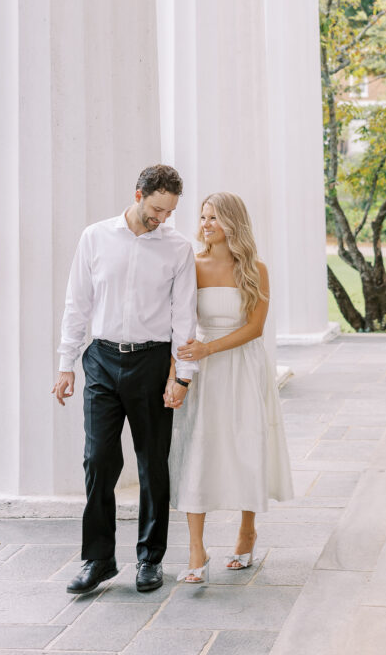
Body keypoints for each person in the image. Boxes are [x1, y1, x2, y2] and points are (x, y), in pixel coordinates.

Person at [52, 164, 197, 595]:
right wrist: (66, 364)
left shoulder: (177, 249)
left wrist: (182, 377)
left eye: (169, 211)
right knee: (98, 460)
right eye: (156, 209)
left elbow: (184, 317)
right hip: (101, 359)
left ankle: (150, 559)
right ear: (138, 195)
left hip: (152, 363)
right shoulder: (95, 237)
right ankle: (98, 560)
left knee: (153, 461)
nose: (162, 219)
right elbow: (77, 303)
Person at [167, 191, 293, 583]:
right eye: (203, 217)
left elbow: (255, 328)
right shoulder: (192, 264)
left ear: (233, 223)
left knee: (245, 444)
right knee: (197, 449)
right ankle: (196, 548)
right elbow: (179, 326)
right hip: (203, 370)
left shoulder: (255, 268)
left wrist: (209, 348)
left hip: (244, 365)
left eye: (214, 218)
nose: (206, 224)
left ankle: (247, 530)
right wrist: (178, 372)